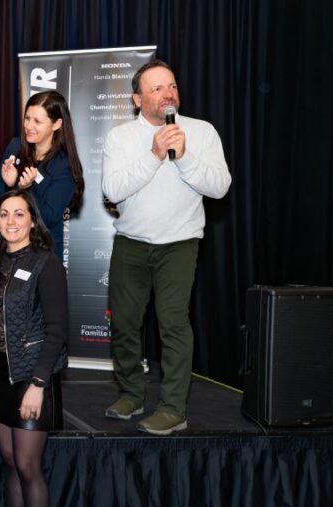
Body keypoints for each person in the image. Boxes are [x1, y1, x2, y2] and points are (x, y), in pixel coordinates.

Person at [101, 60, 231, 435]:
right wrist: (155, 155)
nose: (167, 94)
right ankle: (131, 394)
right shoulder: (120, 137)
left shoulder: (201, 132)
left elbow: (220, 186)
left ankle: (173, 408)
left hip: (179, 243)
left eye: (171, 86)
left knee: (173, 324)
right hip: (131, 243)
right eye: (156, 88)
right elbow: (113, 190)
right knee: (124, 323)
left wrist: (184, 155)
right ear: (137, 99)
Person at [0, 189, 68, 507]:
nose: (10, 221)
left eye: (18, 214)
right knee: (10, 463)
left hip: (32, 376)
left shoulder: (46, 263)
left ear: (32, 221)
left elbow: (57, 330)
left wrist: (38, 385)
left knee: (28, 466)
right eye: (3, 214)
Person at [0, 91, 85, 260]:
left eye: (37, 121)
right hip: (8, 248)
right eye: (27, 118)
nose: (29, 126)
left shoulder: (63, 164)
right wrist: (9, 185)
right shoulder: (15, 147)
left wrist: (26, 190)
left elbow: (49, 216)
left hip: (43, 251)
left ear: (56, 124)